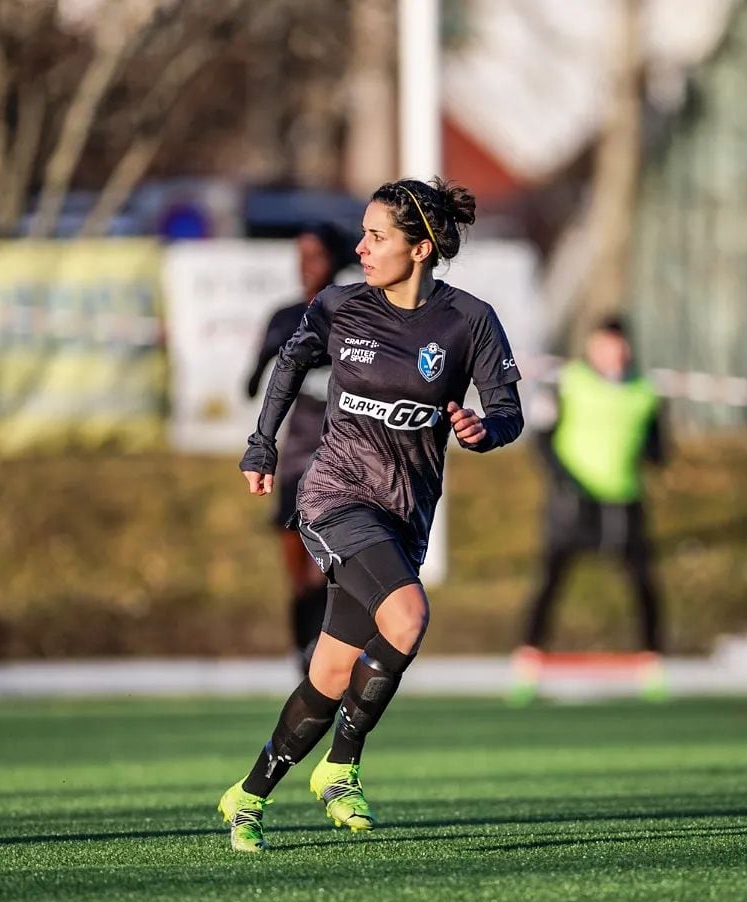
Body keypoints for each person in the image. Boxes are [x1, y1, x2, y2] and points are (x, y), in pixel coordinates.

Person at [219, 177, 524, 852]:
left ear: (419, 249)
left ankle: (246, 795)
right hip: (333, 496)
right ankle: (341, 768)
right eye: (362, 233)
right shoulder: (339, 308)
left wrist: (484, 429)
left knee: (330, 674)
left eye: (377, 237)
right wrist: (262, 443)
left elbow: (509, 411)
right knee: (409, 615)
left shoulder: (468, 320)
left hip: (404, 514)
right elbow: (289, 364)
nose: (361, 247)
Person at [517, 315, 666, 661]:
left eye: (617, 345)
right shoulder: (569, 382)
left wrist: (650, 455)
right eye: (604, 346)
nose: (612, 353)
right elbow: (541, 440)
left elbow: (658, 445)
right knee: (552, 576)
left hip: (623, 498)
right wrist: (564, 479)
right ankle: (530, 650)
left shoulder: (644, 390)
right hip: (574, 500)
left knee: (642, 579)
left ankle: (652, 653)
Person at [246, 224, 350, 674]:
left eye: (315, 254)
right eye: (300, 254)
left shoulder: (354, 314)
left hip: (345, 448)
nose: (306, 264)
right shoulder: (286, 316)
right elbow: (251, 382)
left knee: (325, 569)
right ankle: (301, 655)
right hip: (297, 450)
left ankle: (327, 653)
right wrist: (270, 357)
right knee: (298, 572)